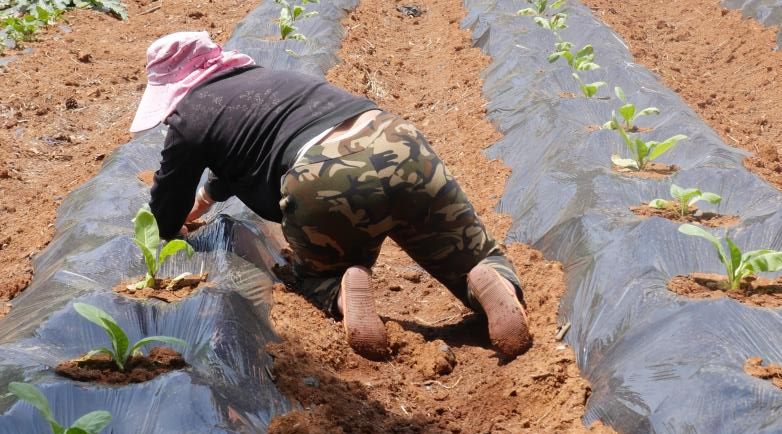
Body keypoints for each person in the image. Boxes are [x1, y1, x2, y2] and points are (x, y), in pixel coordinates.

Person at [132, 31, 531, 358]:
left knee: (315, 275)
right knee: (470, 253)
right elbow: (240, 154)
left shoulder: (190, 118)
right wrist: (205, 200)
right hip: (397, 142)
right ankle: (487, 279)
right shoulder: (267, 80)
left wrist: (165, 234)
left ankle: (340, 286)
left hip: (322, 177)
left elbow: (165, 206)